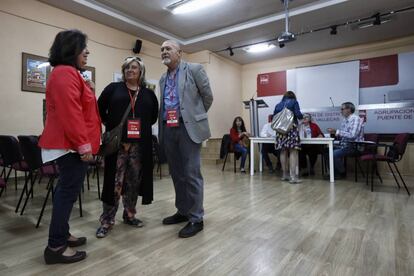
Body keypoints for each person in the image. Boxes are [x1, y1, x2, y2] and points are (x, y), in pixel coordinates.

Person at [39, 29, 101, 264]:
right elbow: (70, 114)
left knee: (67, 193)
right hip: (71, 146)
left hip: (70, 144)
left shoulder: (69, 73)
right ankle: (55, 246)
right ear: (70, 49)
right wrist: (84, 146)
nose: (87, 51)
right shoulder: (65, 72)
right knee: (67, 194)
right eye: (82, 47)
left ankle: (62, 235)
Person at [96, 57, 158, 238]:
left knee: (133, 183)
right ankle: (107, 220)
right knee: (113, 184)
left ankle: (129, 215)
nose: (130, 70)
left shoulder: (149, 94)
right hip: (117, 146)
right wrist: (112, 126)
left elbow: (153, 117)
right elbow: (99, 110)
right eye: (127, 67)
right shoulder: (113, 89)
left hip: (139, 147)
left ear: (141, 72)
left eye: (134, 67)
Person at [159, 40, 213, 238]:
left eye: (168, 49)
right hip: (169, 128)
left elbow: (208, 97)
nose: (164, 52)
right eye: (162, 49)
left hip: (188, 128)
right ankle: (183, 211)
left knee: (191, 174)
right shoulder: (162, 79)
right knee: (176, 174)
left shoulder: (194, 69)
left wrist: (194, 117)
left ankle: (196, 218)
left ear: (179, 53)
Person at [327, 102, 364, 179]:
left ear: (349, 109)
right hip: (345, 144)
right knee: (327, 151)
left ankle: (341, 172)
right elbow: (343, 135)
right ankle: (333, 173)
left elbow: (352, 135)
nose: (341, 111)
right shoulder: (344, 120)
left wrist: (337, 132)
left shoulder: (356, 119)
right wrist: (335, 134)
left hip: (354, 146)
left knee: (334, 154)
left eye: (342, 109)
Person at [273, 91, 304, 183]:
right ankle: (293, 177)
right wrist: (302, 117)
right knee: (293, 152)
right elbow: (298, 114)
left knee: (283, 151)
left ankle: (284, 175)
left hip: (280, 131)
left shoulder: (278, 105)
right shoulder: (294, 102)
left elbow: (274, 117)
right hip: (291, 129)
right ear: (293, 96)